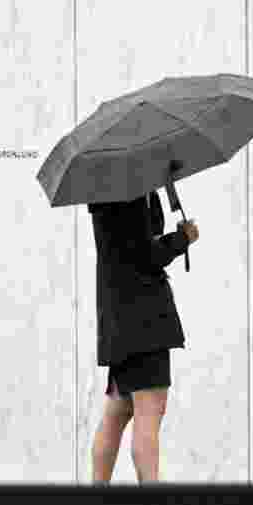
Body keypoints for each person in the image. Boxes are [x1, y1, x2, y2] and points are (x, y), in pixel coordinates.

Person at [86, 190, 199, 485]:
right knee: (148, 416)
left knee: (116, 414)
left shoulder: (103, 188)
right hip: (145, 325)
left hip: (120, 326)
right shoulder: (132, 190)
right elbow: (146, 255)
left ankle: (94, 503)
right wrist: (183, 239)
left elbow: (128, 249)